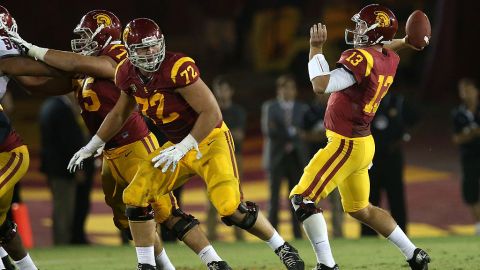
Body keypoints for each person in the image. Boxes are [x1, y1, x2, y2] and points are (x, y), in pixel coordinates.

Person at [64, 18, 304, 270]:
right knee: (134, 195)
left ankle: (282, 247)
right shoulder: (126, 72)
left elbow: (211, 113)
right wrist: (93, 145)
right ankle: (146, 265)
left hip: (209, 140)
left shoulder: (177, 67)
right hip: (176, 144)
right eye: (144, 49)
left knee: (231, 207)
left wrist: (183, 147)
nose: (151, 53)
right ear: (130, 51)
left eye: (154, 46)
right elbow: (119, 113)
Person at [5, 10, 231, 270]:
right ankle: (164, 266)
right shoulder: (84, 68)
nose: (81, 43)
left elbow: (75, 63)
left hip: (135, 145)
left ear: (104, 35)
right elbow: (38, 85)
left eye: (88, 36)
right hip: (109, 152)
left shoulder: (120, 58)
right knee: (128, 217)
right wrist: (9, 64)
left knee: (165, 210)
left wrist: (28, 48)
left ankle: (214, 261)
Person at [288, 4, 430, 270]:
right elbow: (388, 46)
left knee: (303, 199)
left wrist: (315, 49)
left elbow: (321, 85)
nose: (357, 30)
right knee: (361, 209)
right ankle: (414, 254)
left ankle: (327, 265)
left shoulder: (361, 59)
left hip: (345, 144)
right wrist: (408, 41)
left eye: (363, 26)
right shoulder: (389, 58)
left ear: (376, 33)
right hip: (363, 143)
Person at [0, 6, 40, 270]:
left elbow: (33, 79)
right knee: (2, 226)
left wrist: (72, 71)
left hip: (7, 153)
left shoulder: (5, 52)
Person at [38, 93, 94, 245]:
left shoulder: (50, 104)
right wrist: (78, 168)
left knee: (65, 206)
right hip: (64, 169)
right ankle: (63, 242)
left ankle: (72, 239)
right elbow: (67, 142)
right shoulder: (61, 109)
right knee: (64, 209)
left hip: (57, 168)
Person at [361, 92, 418, 236]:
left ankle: (402, 237)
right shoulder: (364, 100)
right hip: (370, 160)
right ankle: (367, 238)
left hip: (392, 159)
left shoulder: (398, 101)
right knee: (368, 201)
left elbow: (416, 118)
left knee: (396, 199)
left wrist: (405, 136)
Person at [261, 74, 308, 239]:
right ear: (279, 90)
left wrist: (290, 132)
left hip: (296, 158)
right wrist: (293, 133)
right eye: (285, 87)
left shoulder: (301, 107)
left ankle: (298, 234)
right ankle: (272, 236)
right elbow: (269, 130)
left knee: (296, 198)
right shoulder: (270, 107)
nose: (288, 91)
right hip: (276, 158)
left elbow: (306, 131)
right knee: (273, 199)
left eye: (291, 88)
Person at [301, 93, 344, 238]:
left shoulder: (338, 109)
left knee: (336, 201)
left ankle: (338, 233)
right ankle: (313, 235)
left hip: (333, 163)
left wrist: (321, 135)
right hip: (314, 163)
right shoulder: (309, 111)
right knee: (309, 200)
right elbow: (303, 134)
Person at [209, 76, 246, 241]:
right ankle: (211, 235)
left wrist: (219, 134)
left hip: (234, 158)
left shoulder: (238, 111)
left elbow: (240, 135)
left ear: (231, 91)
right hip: (214, 158)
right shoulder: (210, 110)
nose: (221, 93)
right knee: (211, 196)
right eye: (219, 90)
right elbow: (234, 134)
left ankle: (239, 235)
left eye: (224, 89)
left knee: (237, 196)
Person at [452, 78, 480, 236]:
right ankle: (478, 225)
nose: (466, 94)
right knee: (470, 192)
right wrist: (472, 134)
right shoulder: (458, 113)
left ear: (476, 91)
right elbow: (456, 138)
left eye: (469, 89)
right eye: (463, 90)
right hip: (469, 157)